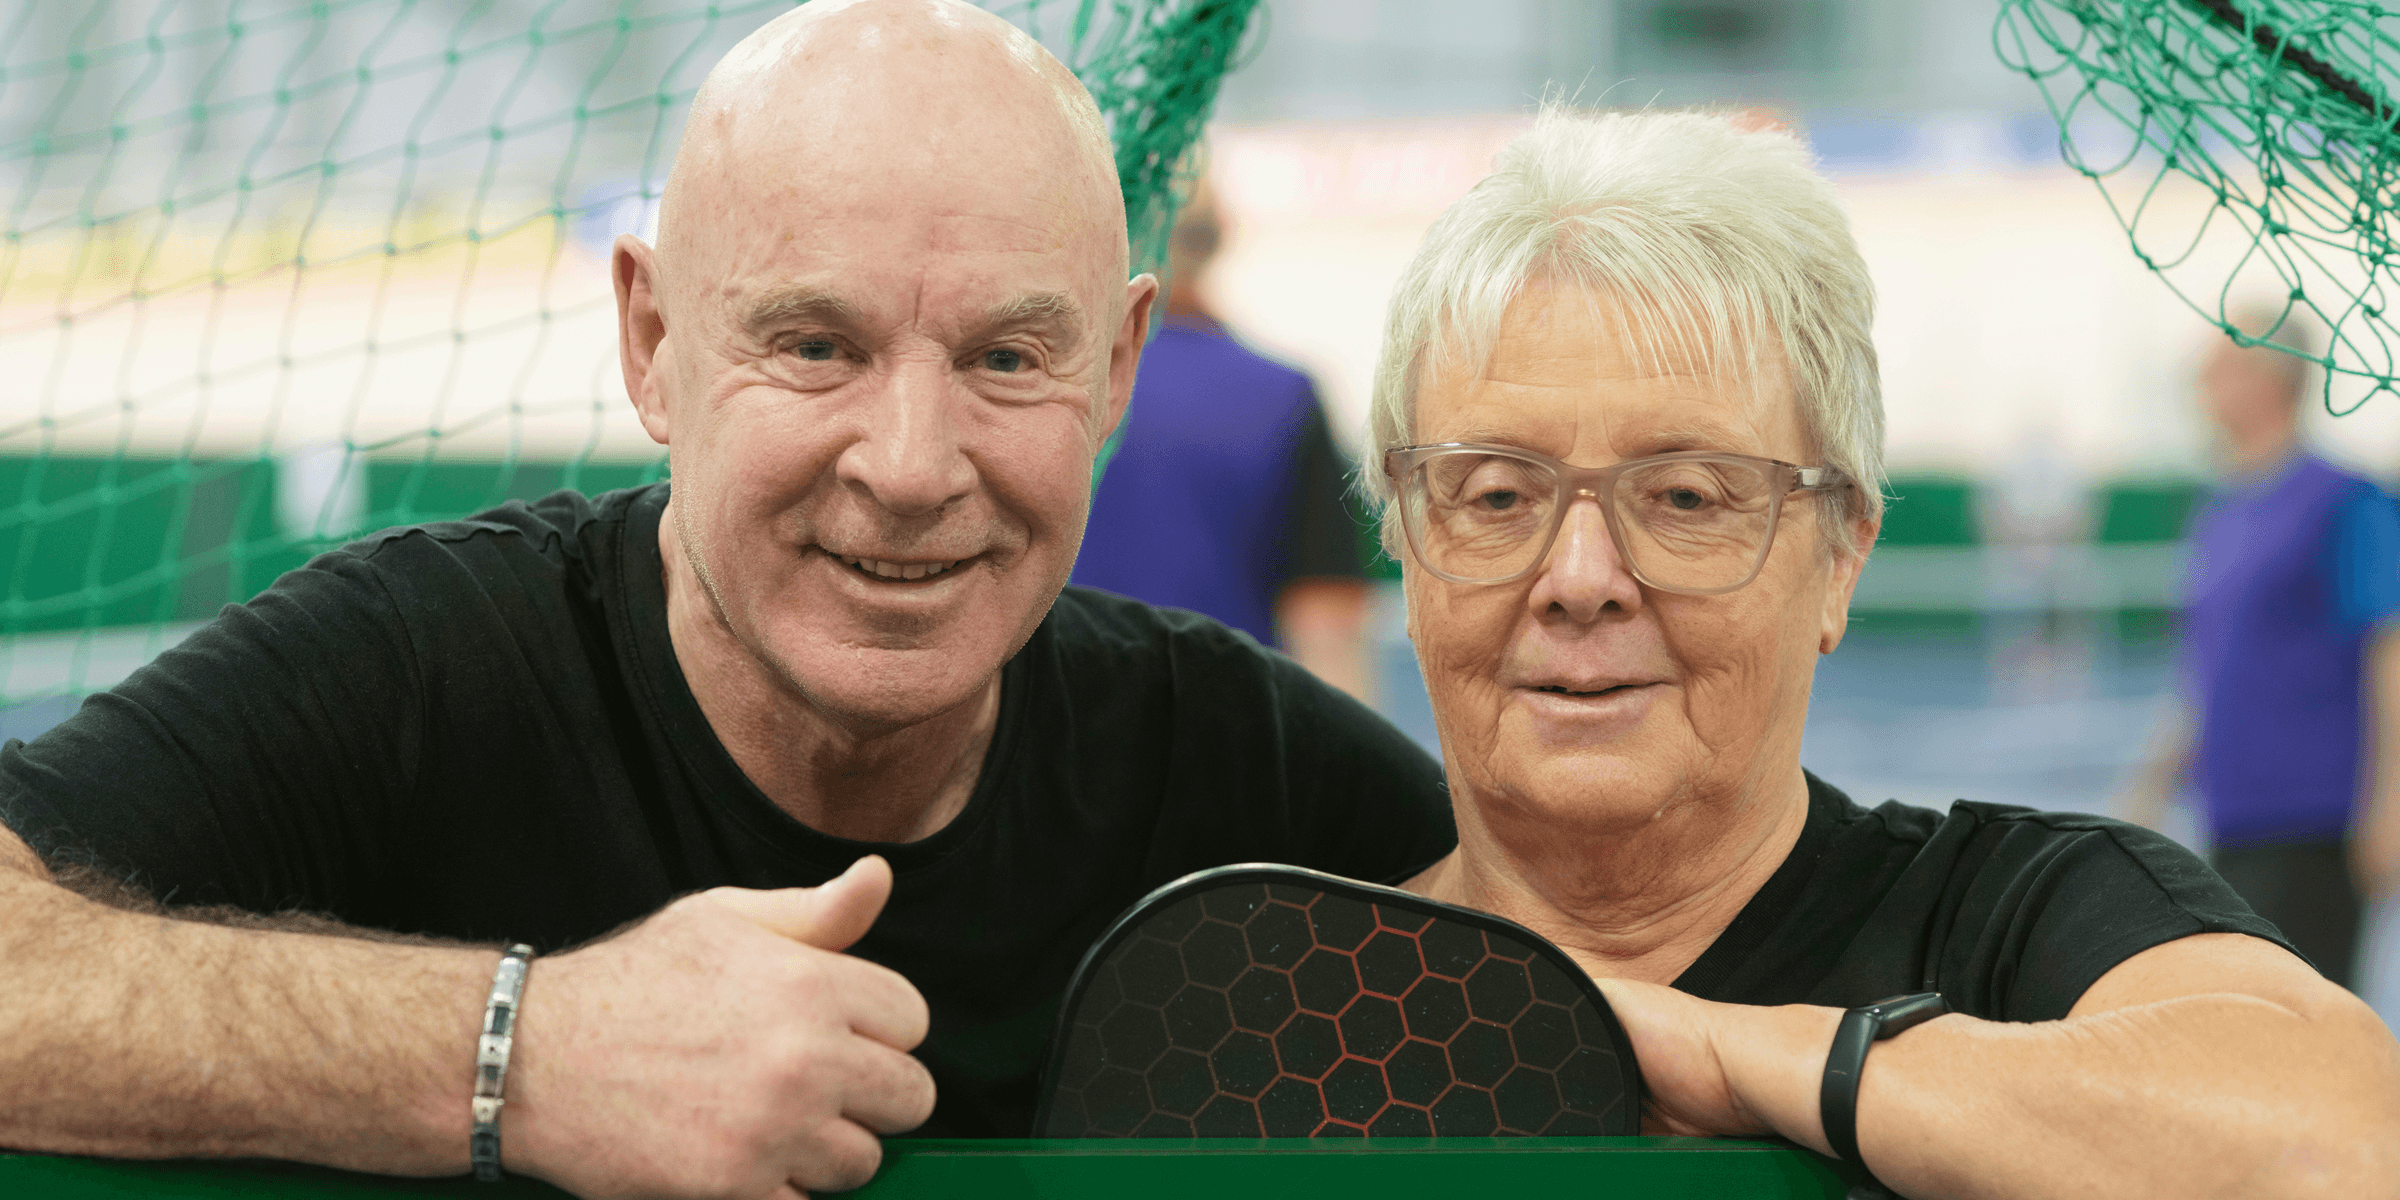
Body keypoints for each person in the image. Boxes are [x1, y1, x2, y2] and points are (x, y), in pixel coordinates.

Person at [0, 3, 1452, 1196]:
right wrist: (526, 1051)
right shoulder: (428, 666)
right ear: (652, 341)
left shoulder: (1233, 758)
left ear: (1118, 367)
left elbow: (1577, 962)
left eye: (1010, 358)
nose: (909, 467)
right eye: (816, 346)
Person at [1362, 106, 2400, 1196]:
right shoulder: (1282, 982)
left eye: (1683, 495)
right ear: (1406, 539)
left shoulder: (2021, 931)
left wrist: (1723, 1054)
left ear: (1842, 555)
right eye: (1496, 493)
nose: (1580, 578)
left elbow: (2343, 1142)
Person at [2120, 314, 2400, 988]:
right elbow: (2211, 670)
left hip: (2315, 820)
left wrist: (2390, 802)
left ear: (2269, 379)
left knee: (2311, 1027)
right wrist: (2151, 785)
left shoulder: (2343, 501)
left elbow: (2389, 651)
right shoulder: (2221, 509)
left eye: (2219, 368)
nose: (2201, 384)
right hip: (2234, 816)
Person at [1072, 175, 1376, 698]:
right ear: (1221, 238)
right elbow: (1327, 629)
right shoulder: (1287, 398)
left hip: (1061, 721)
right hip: (1232, 736)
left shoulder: (1057, 388)